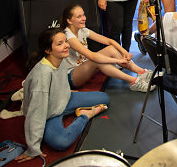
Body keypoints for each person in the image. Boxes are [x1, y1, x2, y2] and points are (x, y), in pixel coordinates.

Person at [15, 28, 110, 162]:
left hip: (64, 99)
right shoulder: (42, 75)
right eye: (59, 44)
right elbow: (36, 113)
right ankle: (84, 115)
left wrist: (67, 92)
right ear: (48, 50)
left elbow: (62, 82)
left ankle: (78, 110)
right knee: (61, 142)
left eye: (65, 41)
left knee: (104, 98)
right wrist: (33, 148)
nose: (66, 45)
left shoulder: (61, 59)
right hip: (48, 113)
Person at [62, 4, 154, 92]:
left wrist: (124, 52)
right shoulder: (68, 36)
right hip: (72, 76)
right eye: (79, 17)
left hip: (84, 68)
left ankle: (141, 72)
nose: (84, 18)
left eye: (83, 15)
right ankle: (134, 81)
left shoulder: (83, 30)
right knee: (97, 60)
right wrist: (117, 61)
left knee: (111, 49)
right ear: (69, 21)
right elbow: (92, 56)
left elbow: (110, 41)